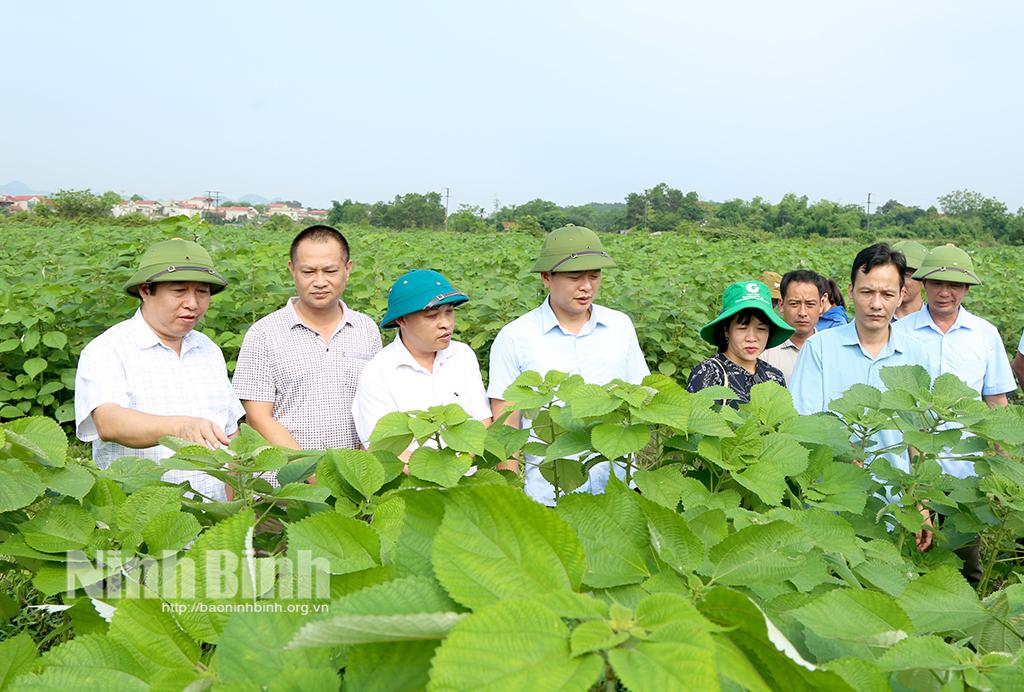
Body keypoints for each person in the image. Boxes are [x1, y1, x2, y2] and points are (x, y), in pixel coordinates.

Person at [488, 225, 649, 505]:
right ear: (546, 277)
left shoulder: (619, 326)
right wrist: (509, 494)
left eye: (594, 276)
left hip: (618, 484)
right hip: (553, 492)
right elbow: (506, 422)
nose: (586, 286)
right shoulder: (515, 336)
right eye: (575, 277)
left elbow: (641, 392)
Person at [74, 238, 244, 501]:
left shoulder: (208, 349)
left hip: (214, 513)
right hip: (140, 516)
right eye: (179, 290)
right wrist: (179, 427)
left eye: (202, 292)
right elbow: (108, 422)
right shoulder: (108, 349)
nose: (193, 303)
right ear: (145, 290)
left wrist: (236, 507)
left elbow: (230, 434)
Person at [790, 243, 934, 549]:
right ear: (851, 290)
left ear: (901, 295)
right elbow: (805, 424)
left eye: (887, 294)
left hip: (892, 504)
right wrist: (845, 455)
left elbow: (920, 438)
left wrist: (920, 501)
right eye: (867, 292)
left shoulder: (918, 355)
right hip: (830, 497)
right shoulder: (820, 349)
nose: (877, 304)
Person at [233, 225, 382, 462]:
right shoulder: (263, 333)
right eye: (308, 272)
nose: (320, 282)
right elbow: (258, 418)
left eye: (330, 271)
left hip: (353, 478)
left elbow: (374, 406)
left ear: (348, 269)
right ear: (292, 270)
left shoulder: (367, 330)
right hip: (285, 486)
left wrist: (360, 470)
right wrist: (312, 472)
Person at [893, 244, 1016, 475]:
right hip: (909, 466)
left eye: (954, 285)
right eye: (937, 283)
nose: (944, 292)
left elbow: (996, 399)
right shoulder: (900, 333)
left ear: (966, 289)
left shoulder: (985, 334)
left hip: (965, 464)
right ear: (924, 284)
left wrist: (1005, 462)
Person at [352, 269, 491, 459]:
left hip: (468, 479)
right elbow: (383, 446)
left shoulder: (463, 356)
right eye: (432, 316)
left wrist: (461, 465)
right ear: (402, 319)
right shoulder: (379, 372)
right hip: (413, 483)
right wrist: (439, 471)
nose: (445, 324)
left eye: (449, 312)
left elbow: (482, 422)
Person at [687, 280, 792, 405]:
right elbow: (698, 420)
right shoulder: (709, 373)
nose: (752, 338)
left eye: (761, 329)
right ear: (726, 330)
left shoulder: (774, 376)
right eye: (742, 328)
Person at [761, 270, 825, 383]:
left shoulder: (831, 350)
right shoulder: (763, 350)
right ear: (781, 305)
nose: (802, 313)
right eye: (794, 304)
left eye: (810, 304)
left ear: (821, 305)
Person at [890, 240, 927, 320]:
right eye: (893, 273)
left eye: (906, 275)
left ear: (924, 281)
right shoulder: (874, 321)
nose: (898, 281)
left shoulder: (936, 322)